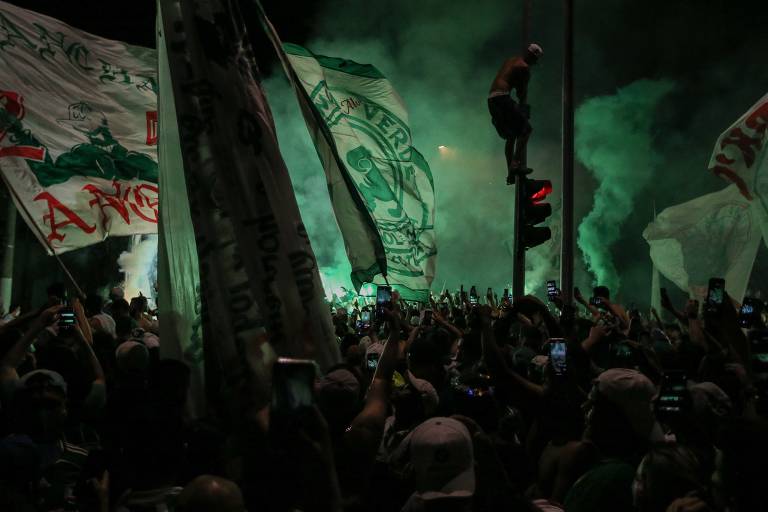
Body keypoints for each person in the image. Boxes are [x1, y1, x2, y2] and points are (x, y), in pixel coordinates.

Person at [488, 43, 543, 184]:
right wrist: (524, 110)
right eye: (535, 60)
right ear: (532, 57)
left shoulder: (511, 60)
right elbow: (521, 93)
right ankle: (515, 164)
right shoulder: (524, 68)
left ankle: (510, 175)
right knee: (526, 130)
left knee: (511, 136)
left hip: (492, 99)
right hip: (502, 98)